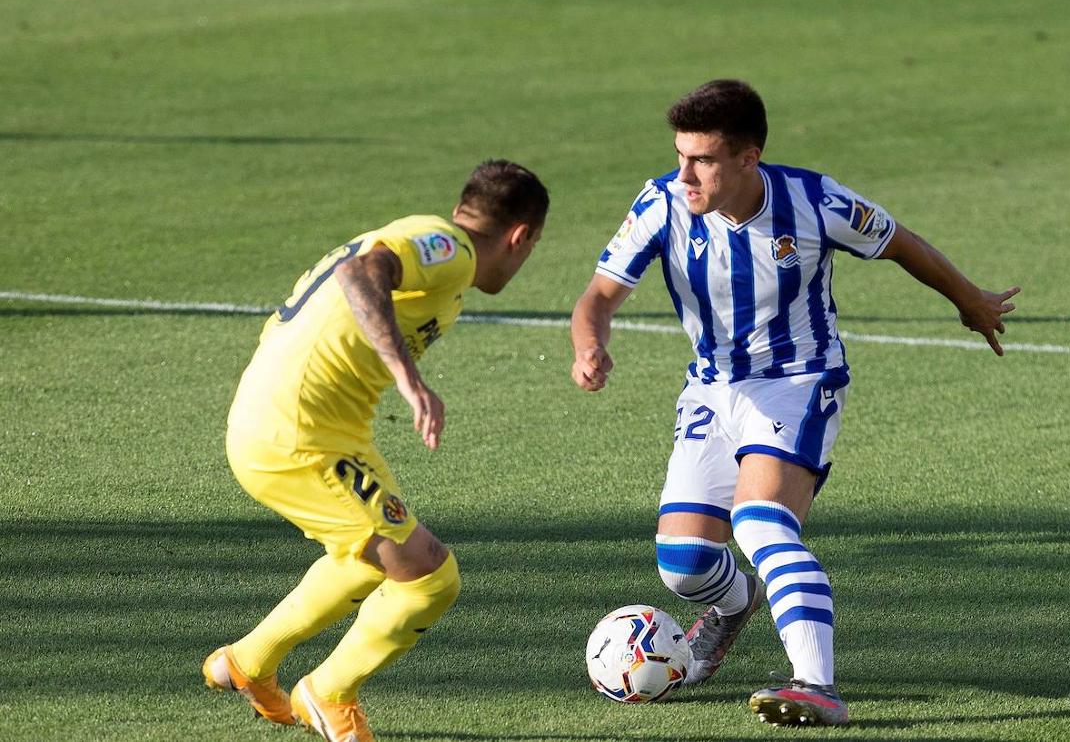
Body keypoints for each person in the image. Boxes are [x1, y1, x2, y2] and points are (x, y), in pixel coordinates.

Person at [570, 80, 1017, 727]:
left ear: (747, 158)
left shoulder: (813, 200)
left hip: (800, 381)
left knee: (760, 524)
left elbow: (900, 242)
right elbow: (598, 297)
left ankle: (817, 685)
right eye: (680, 156)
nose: (685, 174)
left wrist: (969, 299)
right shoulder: (662, 203)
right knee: (684, 565)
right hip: (712, 388)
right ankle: (736, 604)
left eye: (702, 160)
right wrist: (590, 347)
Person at [204, 160, 549, 742]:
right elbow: (361, 273)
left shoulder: (433, 242)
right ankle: (329, 691)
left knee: (368, 558)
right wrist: (410, 380)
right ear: (520, 237)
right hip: (299, 436)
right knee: (430, 577)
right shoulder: (450, 247)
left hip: (303, 429)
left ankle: (247, 661)